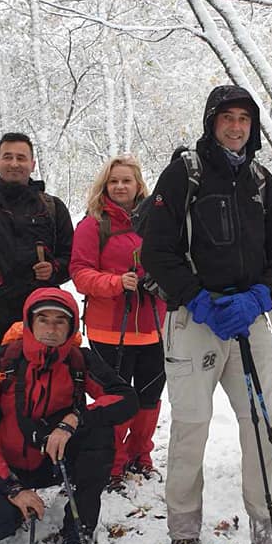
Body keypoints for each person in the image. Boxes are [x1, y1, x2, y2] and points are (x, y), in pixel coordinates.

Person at [140, 85, 272, 544]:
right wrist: (197, 298)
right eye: (227, 117)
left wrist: (261, 295)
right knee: (191, 426)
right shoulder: (183, 174)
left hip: (250, 320)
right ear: (212, 122)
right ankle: (184, 528)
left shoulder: (262, 181)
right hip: (195, 320)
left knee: (265, 424)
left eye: (244, 119)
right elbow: (156, 251)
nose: (236, 127)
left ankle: (270, 527)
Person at [0, 288, 137, 544]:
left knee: (100, 433)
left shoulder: (79, 360)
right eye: (43, 319)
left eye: (60, 321)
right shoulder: (1, 361)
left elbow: (125, 398)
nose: (51, 329)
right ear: (30, 322)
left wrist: (74, 420)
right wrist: (13, 488)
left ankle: (80, 525)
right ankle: (17, 498)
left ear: (71, 326)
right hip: (10, 466)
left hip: (56, 460)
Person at [70, 155, 167, 491]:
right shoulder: (93, 225)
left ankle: (140, 454)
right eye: (114, 181)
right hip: (108, 330)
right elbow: (80, 273)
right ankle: (111, 460)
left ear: (139, 184)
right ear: (105, 186)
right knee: (114, 397)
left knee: (149, 396)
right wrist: (115, 283)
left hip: (155, 326)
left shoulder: (158, 221)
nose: (121, 187)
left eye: (127, 180)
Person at [0, 132, 74, 350]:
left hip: (40, 316)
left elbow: (72, 260)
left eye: (21, 158)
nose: (14, 164)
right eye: (8, 157)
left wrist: (53, 269)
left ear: (33, 164)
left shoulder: (53, 208)